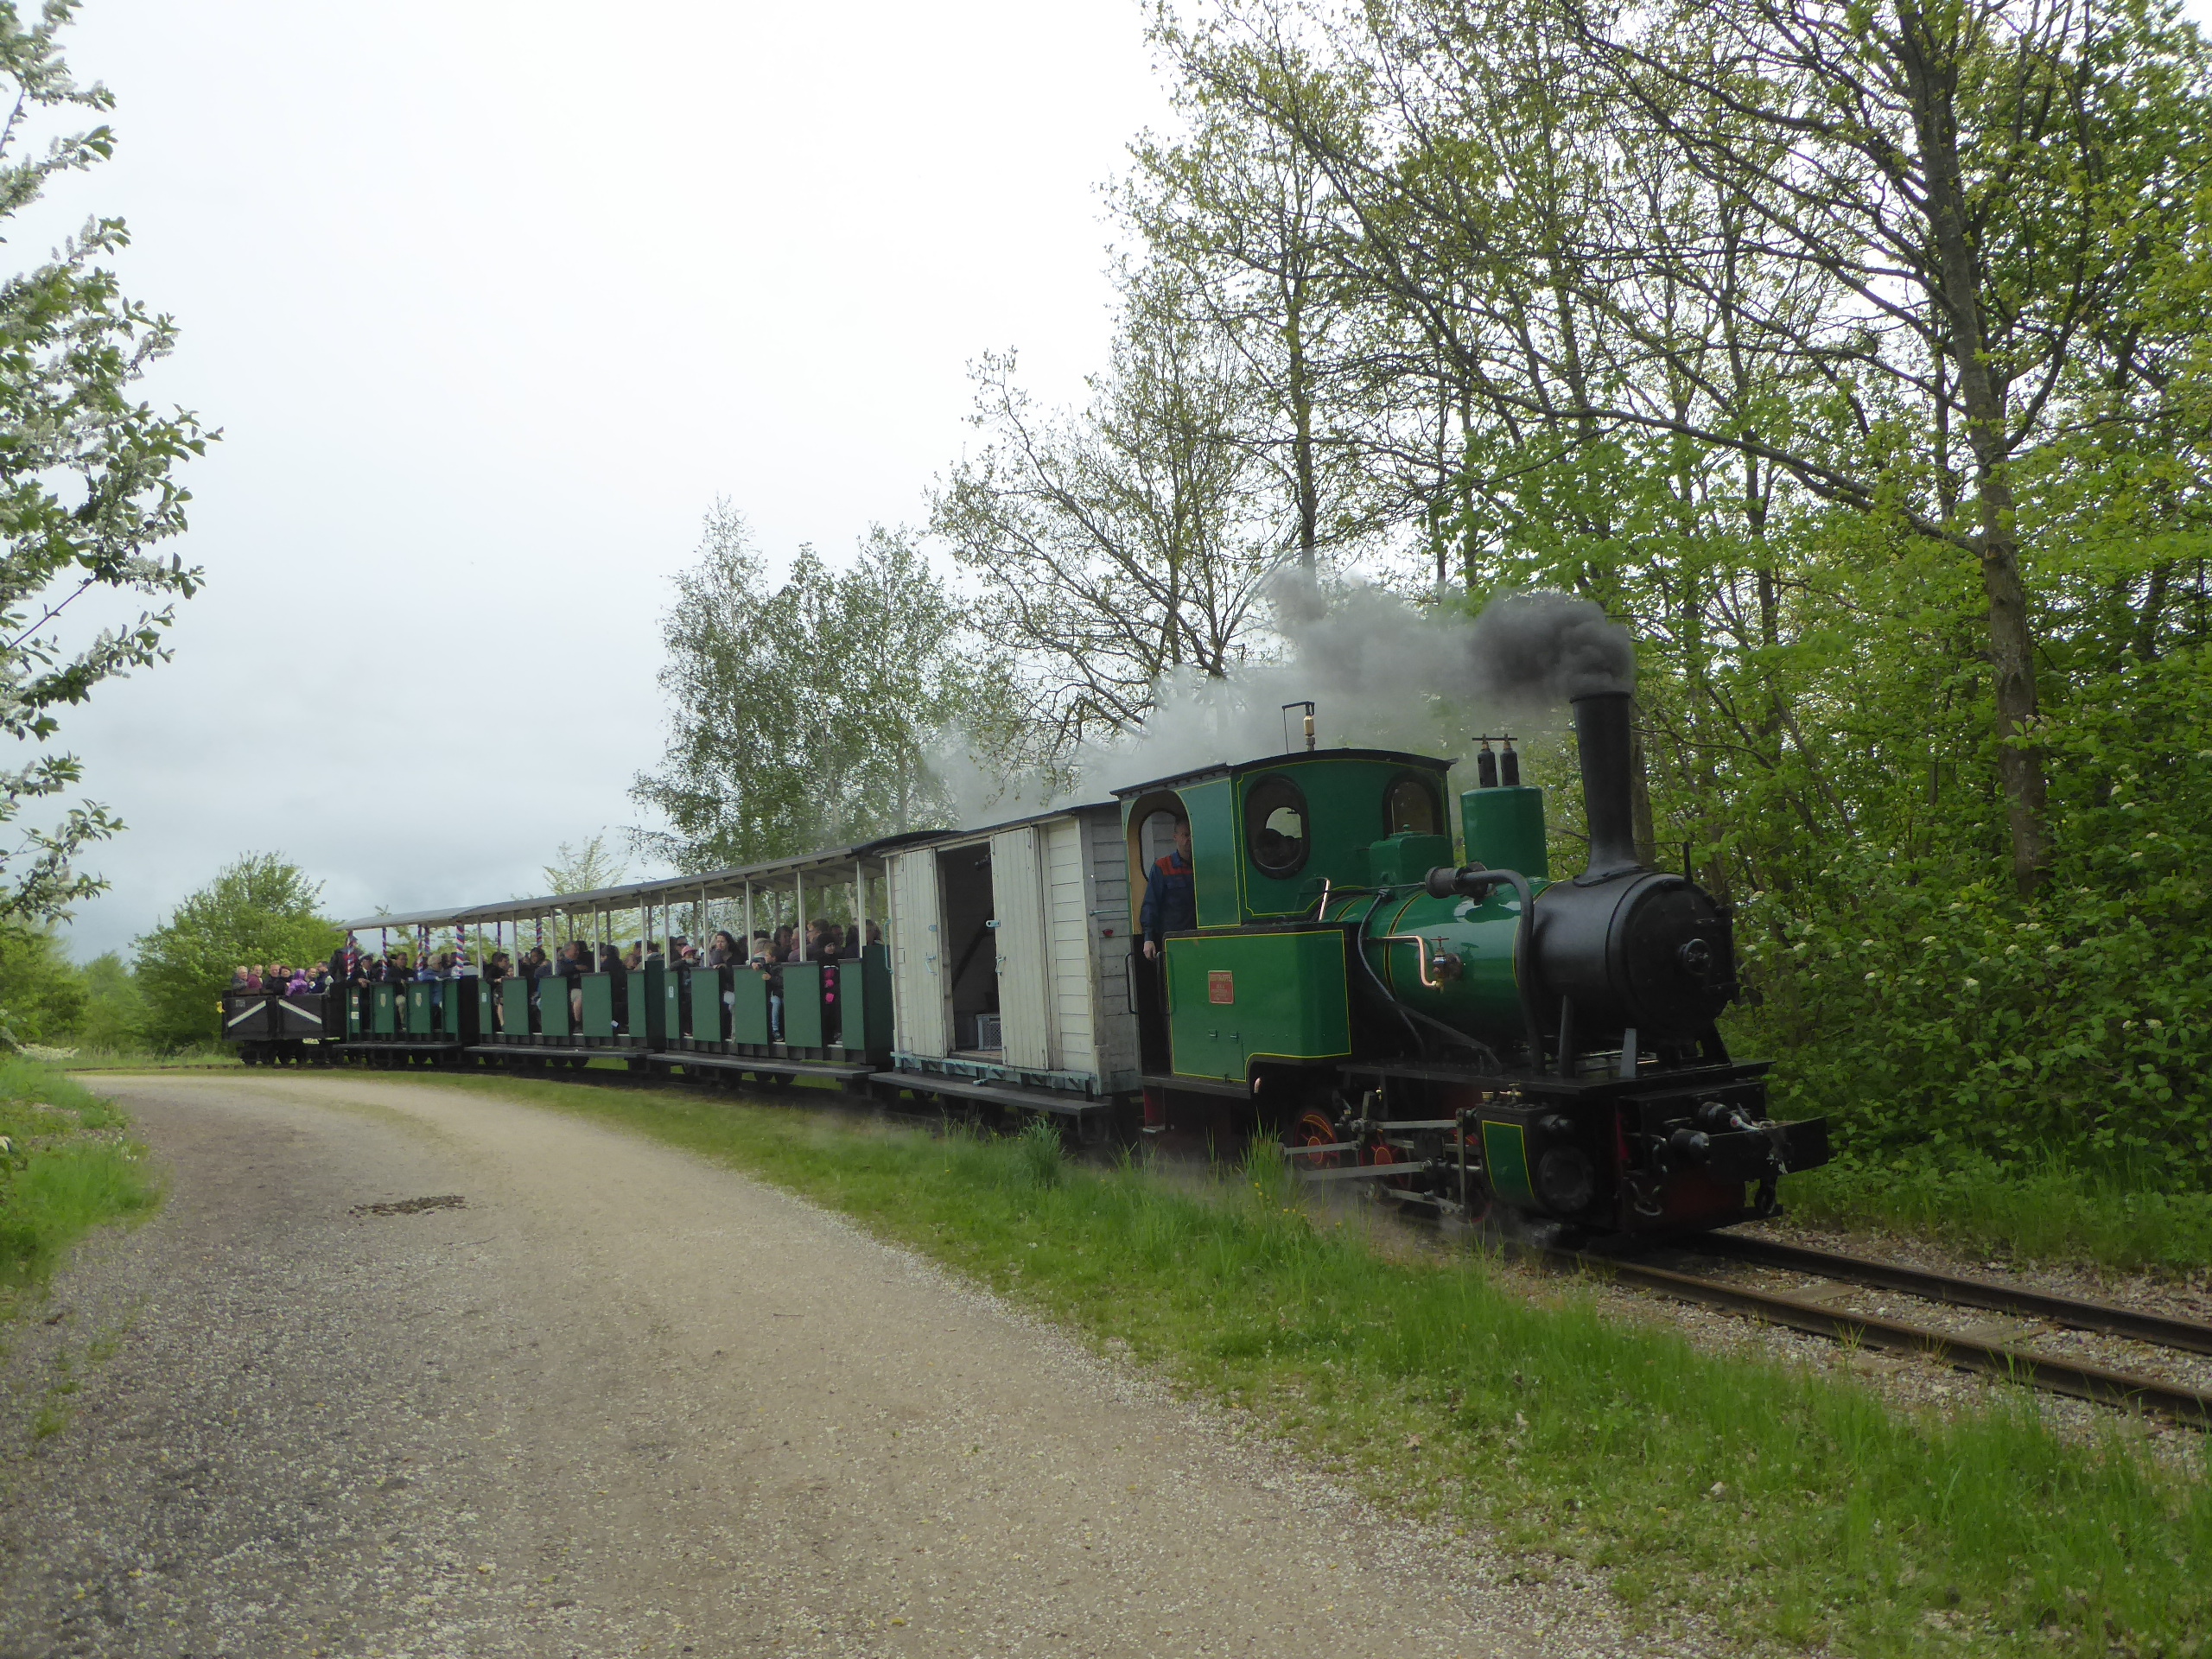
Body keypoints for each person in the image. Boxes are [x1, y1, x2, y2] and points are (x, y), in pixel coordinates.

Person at [1141, 817, 1195, 961]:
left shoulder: (1204, 866)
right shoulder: (1162, 867)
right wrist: (1148, 938)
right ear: (1175, 837)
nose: (1189, 839)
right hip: (1174, 942)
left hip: (1200, 938)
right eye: (1185, 835)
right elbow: (1151, 904)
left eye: (1192, 834)